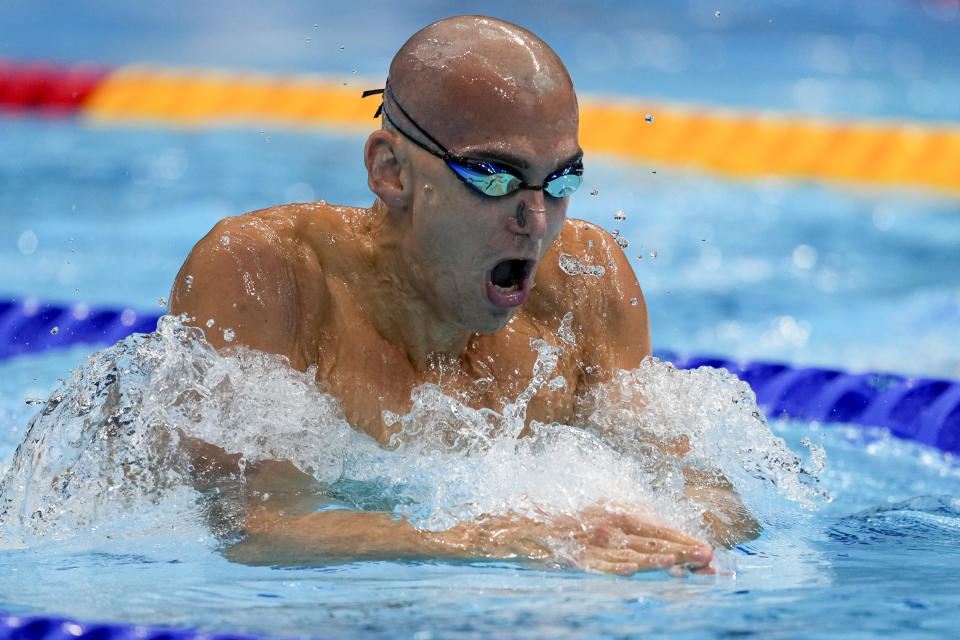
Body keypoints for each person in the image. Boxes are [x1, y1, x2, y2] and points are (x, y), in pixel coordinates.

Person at [170, 15, 757, 575]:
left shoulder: (584, 280)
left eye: (562, 181)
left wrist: (665, 534)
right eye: (495, 177)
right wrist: (494, 540)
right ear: (391, 171)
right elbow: (258, 526)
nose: (535, 219)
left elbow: (708, 489)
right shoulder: (267, 276)